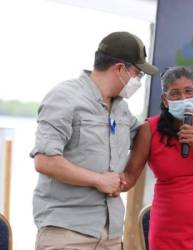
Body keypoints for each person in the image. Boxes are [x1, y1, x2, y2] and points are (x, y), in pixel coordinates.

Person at [30, 31, 158, 250]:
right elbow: (45, 161)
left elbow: (143, 136)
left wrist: (128, 176)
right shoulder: (64, 97)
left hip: (111, 235)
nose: (138, 81)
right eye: (138, 74)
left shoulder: (122, 109)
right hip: (67, 234)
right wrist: (99, 180)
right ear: (120, 69)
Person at [121, 66, 193, 250]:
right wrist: (96, 179)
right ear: (165, 100)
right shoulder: (149, 129)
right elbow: (128, 177)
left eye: (188, 91)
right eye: (175, 94)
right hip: (167, 231)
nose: (184, 98)